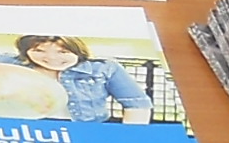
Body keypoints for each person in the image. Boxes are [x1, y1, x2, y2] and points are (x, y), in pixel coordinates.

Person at [13, 33, 152, 123]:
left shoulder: (103, 68)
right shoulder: (12, 64)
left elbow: (137, 104)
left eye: (63, 52)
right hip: (29, 128)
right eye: (38, 51)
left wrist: (129, 138)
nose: (52, 58)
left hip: (88, 131)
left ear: (78, 51)